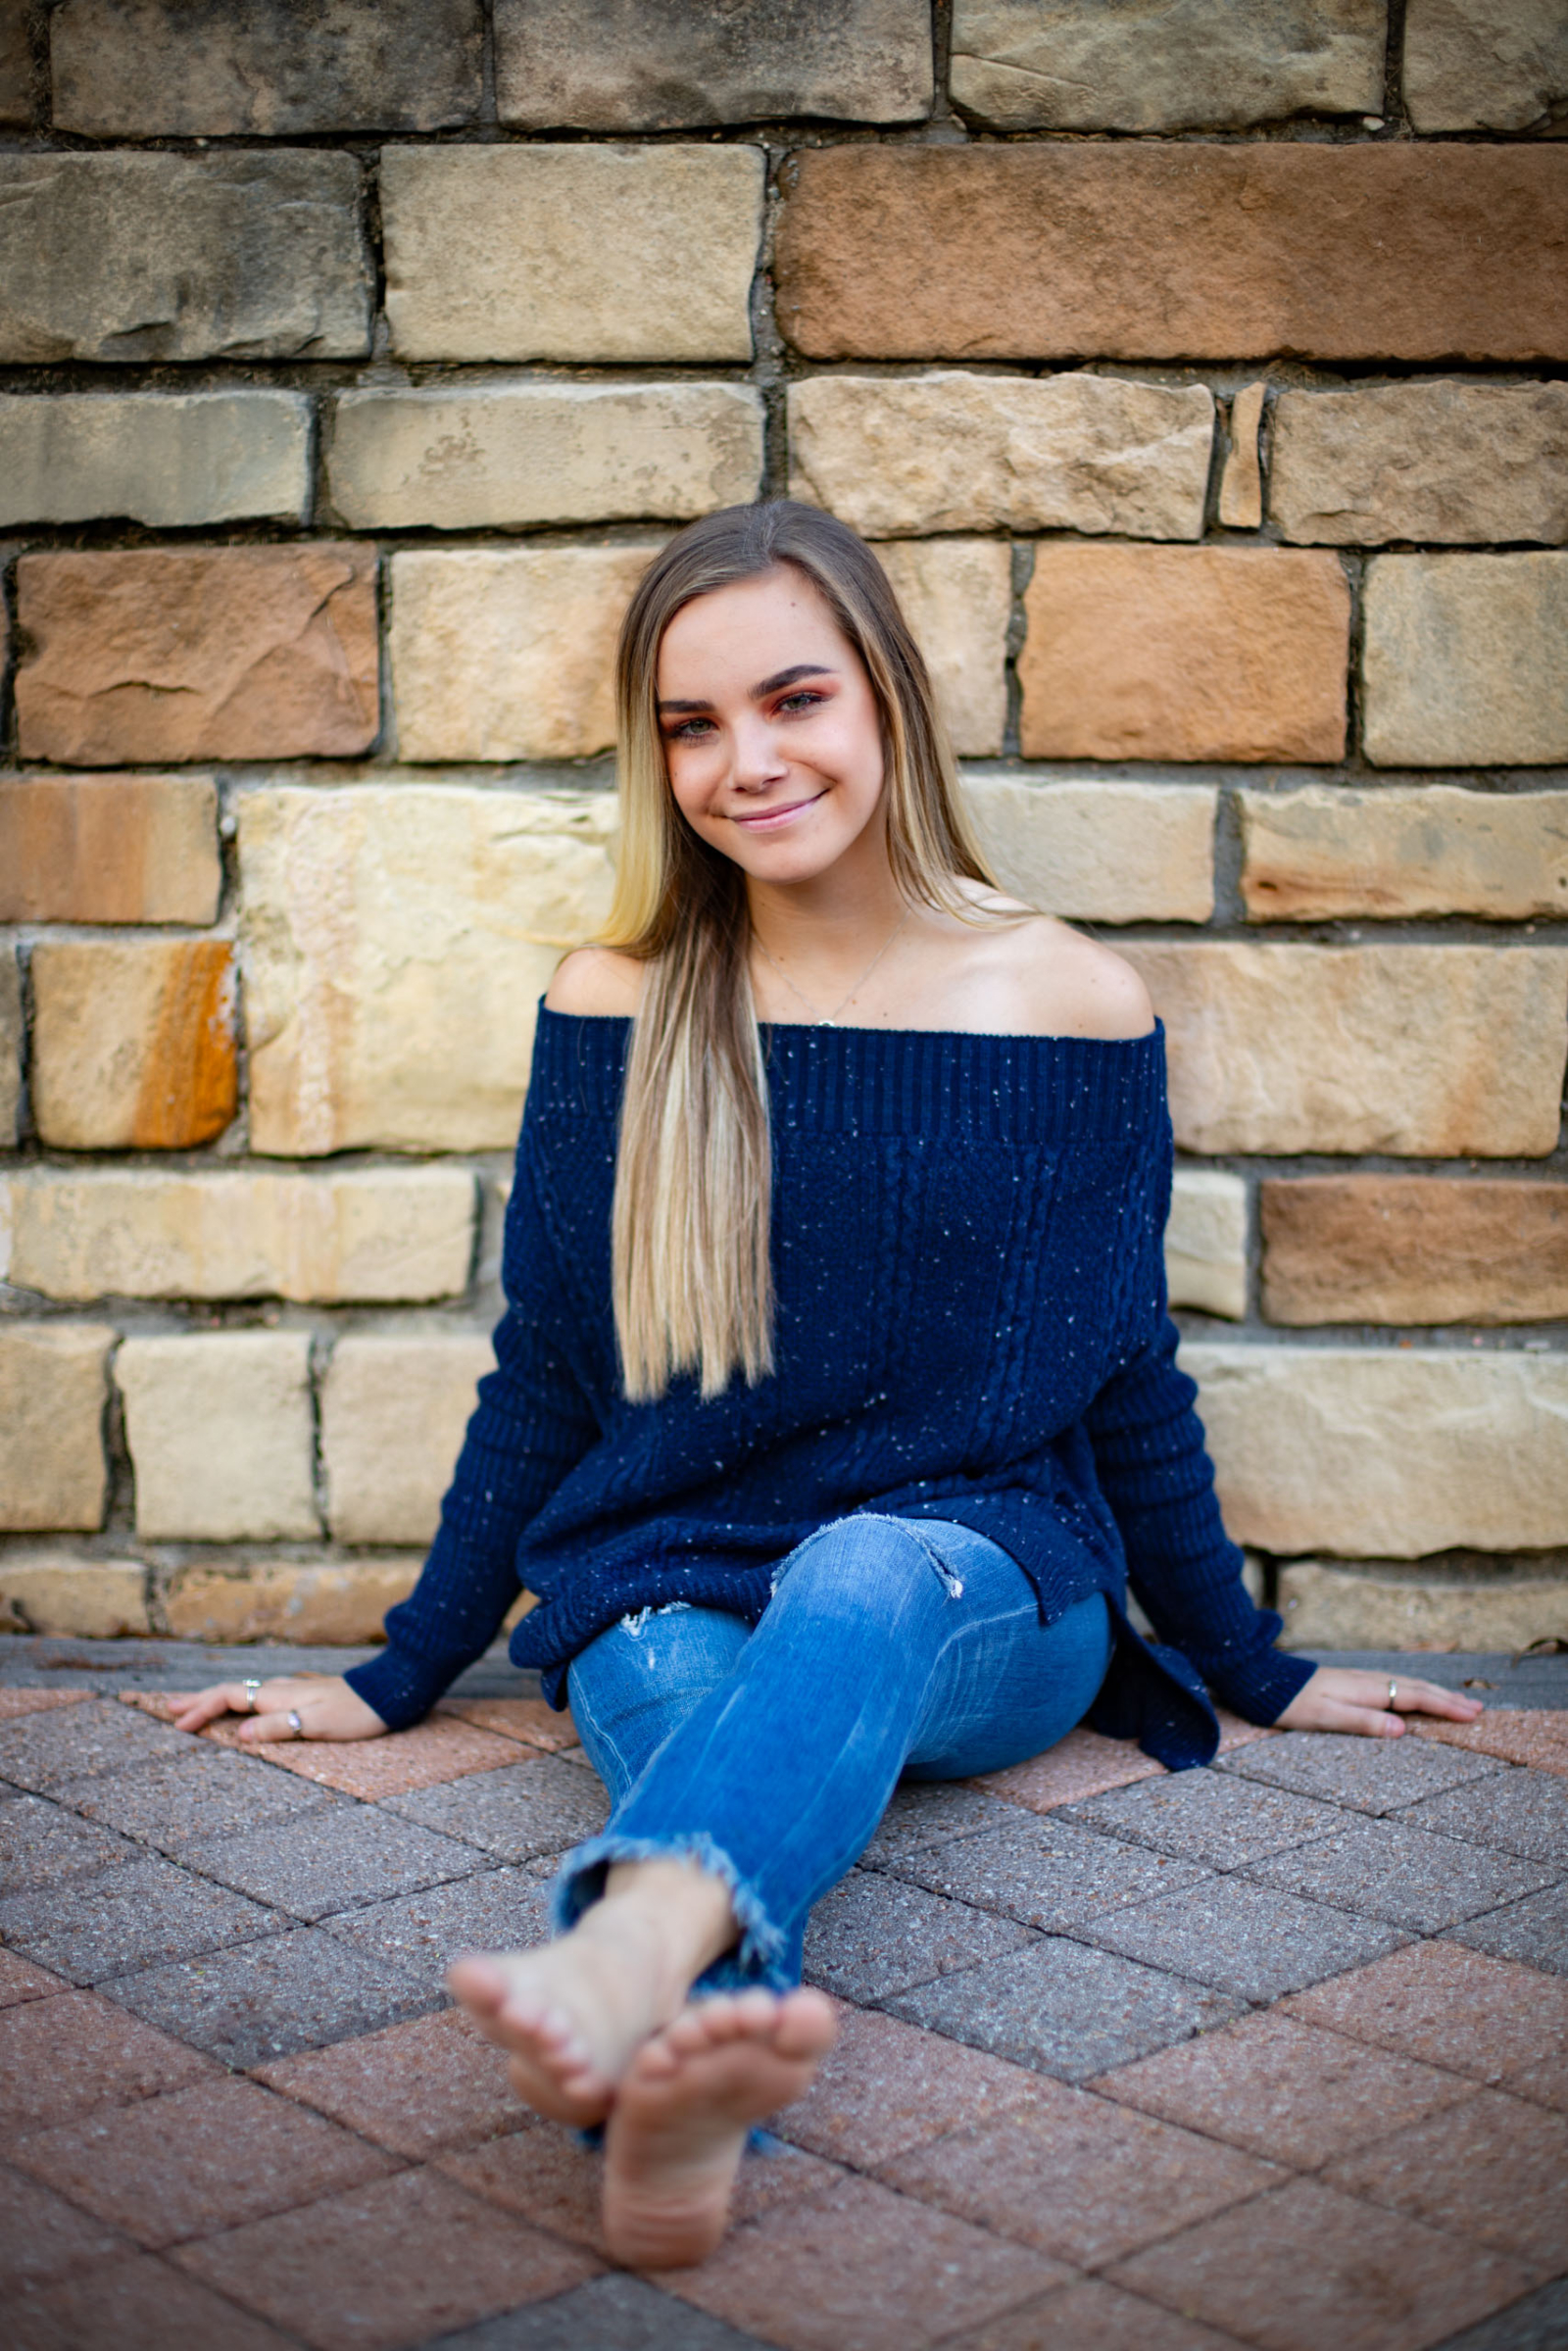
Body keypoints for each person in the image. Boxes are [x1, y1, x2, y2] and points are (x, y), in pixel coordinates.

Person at [175, 500, 1482, 2268]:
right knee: (640, 1647)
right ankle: (672, 2100)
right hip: (681, 1572)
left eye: (792, 700)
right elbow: (554, 1369)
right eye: (692, 726)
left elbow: (1126, 1371)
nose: (746, 761)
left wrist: (1258, 1665)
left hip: (978, 1589)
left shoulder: (1067, 1001)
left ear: (884, 698)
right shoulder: (623, 999)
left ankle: (626, 1949)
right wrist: (399, 1672)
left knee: (860, 1569)